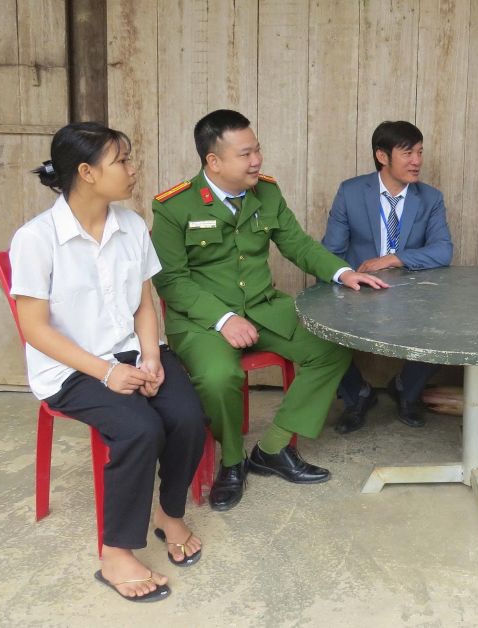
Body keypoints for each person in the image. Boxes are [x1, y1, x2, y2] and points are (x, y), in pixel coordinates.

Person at [10, 123, 208, 602]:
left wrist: (153, 355)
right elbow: (35, 329)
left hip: (130, 351)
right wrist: (105, 371)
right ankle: (115, 550)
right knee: (140, 429)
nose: (133, 169)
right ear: (86, 172)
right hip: (71, 369)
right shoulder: (36, 239)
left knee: (186, 415)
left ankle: (169, 513)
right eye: (122, 161)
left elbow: (143, 303)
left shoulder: (132, 225)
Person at [151, 109, 387, 511]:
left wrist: (342, 272)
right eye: (245, 154)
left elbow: (297, 244)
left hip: (263, 307)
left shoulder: (267, 192)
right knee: (217, 374)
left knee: (331, 348)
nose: (257, 160)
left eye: (257, 149)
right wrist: (224, 319)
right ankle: (230, 463)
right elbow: (170, 280)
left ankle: (272, 448)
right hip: (202, 321)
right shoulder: (174, 208)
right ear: (214, 161)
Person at [322, 121, 453, 433]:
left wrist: (394, 258)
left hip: (413, 292)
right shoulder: (351, 192)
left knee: (447, 325)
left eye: (420, 152)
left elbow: (443, 250)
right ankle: (358, 395)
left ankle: (407, 390)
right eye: (408, 153)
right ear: (382, 156)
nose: (417, 161)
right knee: (319, 330)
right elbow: (331, 250)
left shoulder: (430, 198)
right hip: (359, 289)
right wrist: (346, 278)